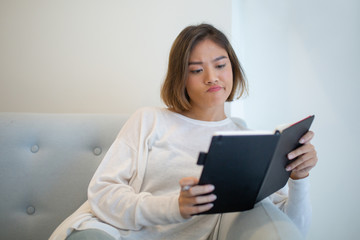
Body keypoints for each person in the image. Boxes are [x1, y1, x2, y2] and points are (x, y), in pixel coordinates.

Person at [50, 23, 318, 240]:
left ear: (233, 68)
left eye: (221, 65)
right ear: (181, 77)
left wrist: (299, 177)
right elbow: (102, 192)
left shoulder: (245, 138)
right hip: (120, 234)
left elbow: (288, 228)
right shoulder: (149, 120)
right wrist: (174, 206)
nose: (211, 77)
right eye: (197, 70)